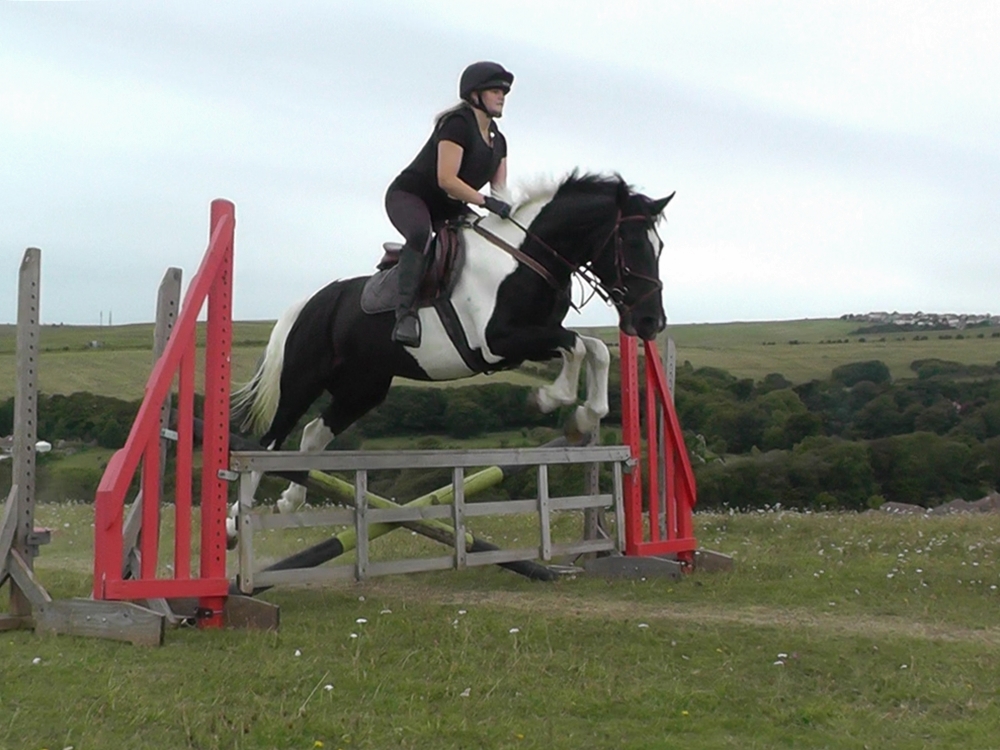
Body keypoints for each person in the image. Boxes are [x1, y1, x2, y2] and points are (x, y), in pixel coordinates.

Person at [385, 61, 515, 346]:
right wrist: (485, 202)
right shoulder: (457, 124)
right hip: (411, 196)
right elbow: (446, 179)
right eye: (495, 90)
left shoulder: (499, 141)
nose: (502, 96)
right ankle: (405, 315)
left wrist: (511, 216)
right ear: (475, 95)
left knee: (486, 239)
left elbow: (500, 191)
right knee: (420, 234)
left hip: (449, 206)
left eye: (504, 92)